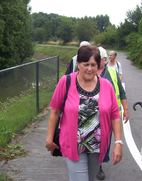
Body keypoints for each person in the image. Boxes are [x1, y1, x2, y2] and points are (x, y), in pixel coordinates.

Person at [45, 45, 123, 181]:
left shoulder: (106, 86)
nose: (89, 68)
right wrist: (49, 139)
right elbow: (55, 112)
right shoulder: (66, 82)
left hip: (98, 146)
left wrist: (118, 142)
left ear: (98, 65)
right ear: (78, 64)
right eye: (85, 64)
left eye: (93, 64)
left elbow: (115, 116)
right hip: (73, 144)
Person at [96, 46, 130, 180]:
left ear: (104, 60)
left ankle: (99, 165)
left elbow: (121, 91)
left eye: (100, 59)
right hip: (92, 114)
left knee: (105, 140)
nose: (97, 62)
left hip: (109, 114)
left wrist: (126, 109)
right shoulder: (89, 71)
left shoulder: (112, 72)